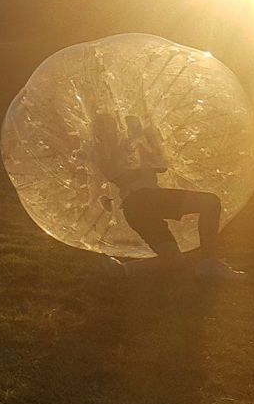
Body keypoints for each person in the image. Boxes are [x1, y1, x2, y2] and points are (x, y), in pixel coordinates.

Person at [90, 111, 243, 280]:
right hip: (145, 199)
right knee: (210, 203)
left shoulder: (130, 144)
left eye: (111, 127)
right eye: (105, 129)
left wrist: (148, 139)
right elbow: (118, 174)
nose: (111, 132)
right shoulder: (103, 153)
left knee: (174, 261)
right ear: (99, 133)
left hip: (136, 210)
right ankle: (208, 262)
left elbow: (160, 166)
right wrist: (135, 141)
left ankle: (122, 270)